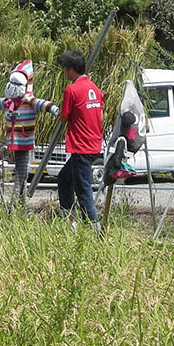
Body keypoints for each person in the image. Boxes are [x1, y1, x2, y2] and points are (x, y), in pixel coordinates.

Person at [0, 60, 58, 204]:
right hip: (13, 141)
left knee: (21, 173)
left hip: (24, 141)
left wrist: (53, 109)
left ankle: (15, 204)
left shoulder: (29, 101)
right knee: (20, 171)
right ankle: (21, 203)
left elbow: (42, 104)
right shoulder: (7, 102)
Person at [57, 50, 104, 231]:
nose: (64, 73)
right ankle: (71, 221)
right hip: (93, 144)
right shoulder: (94, 88)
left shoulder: (72, 89)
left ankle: (96, 229)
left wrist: (55, 111)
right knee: (64, 178)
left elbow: (64, 116)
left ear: (70, 70)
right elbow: (99, 114)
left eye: (64, 69)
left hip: (81, 146)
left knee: (83, 190)